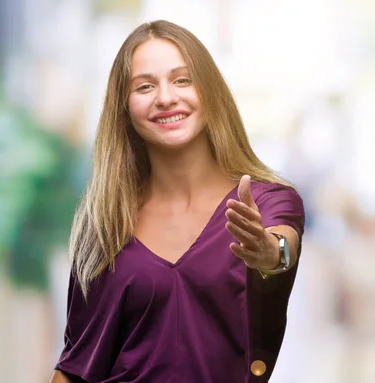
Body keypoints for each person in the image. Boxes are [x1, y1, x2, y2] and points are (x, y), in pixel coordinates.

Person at [48, 20, 305, 383]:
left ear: (211, 91)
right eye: (145, 86)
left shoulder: (268, 201)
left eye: (182, 80)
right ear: (124, 107)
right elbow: (76, 367)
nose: (166, 97)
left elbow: (282, 248)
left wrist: (269, 252)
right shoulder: (106, 223)